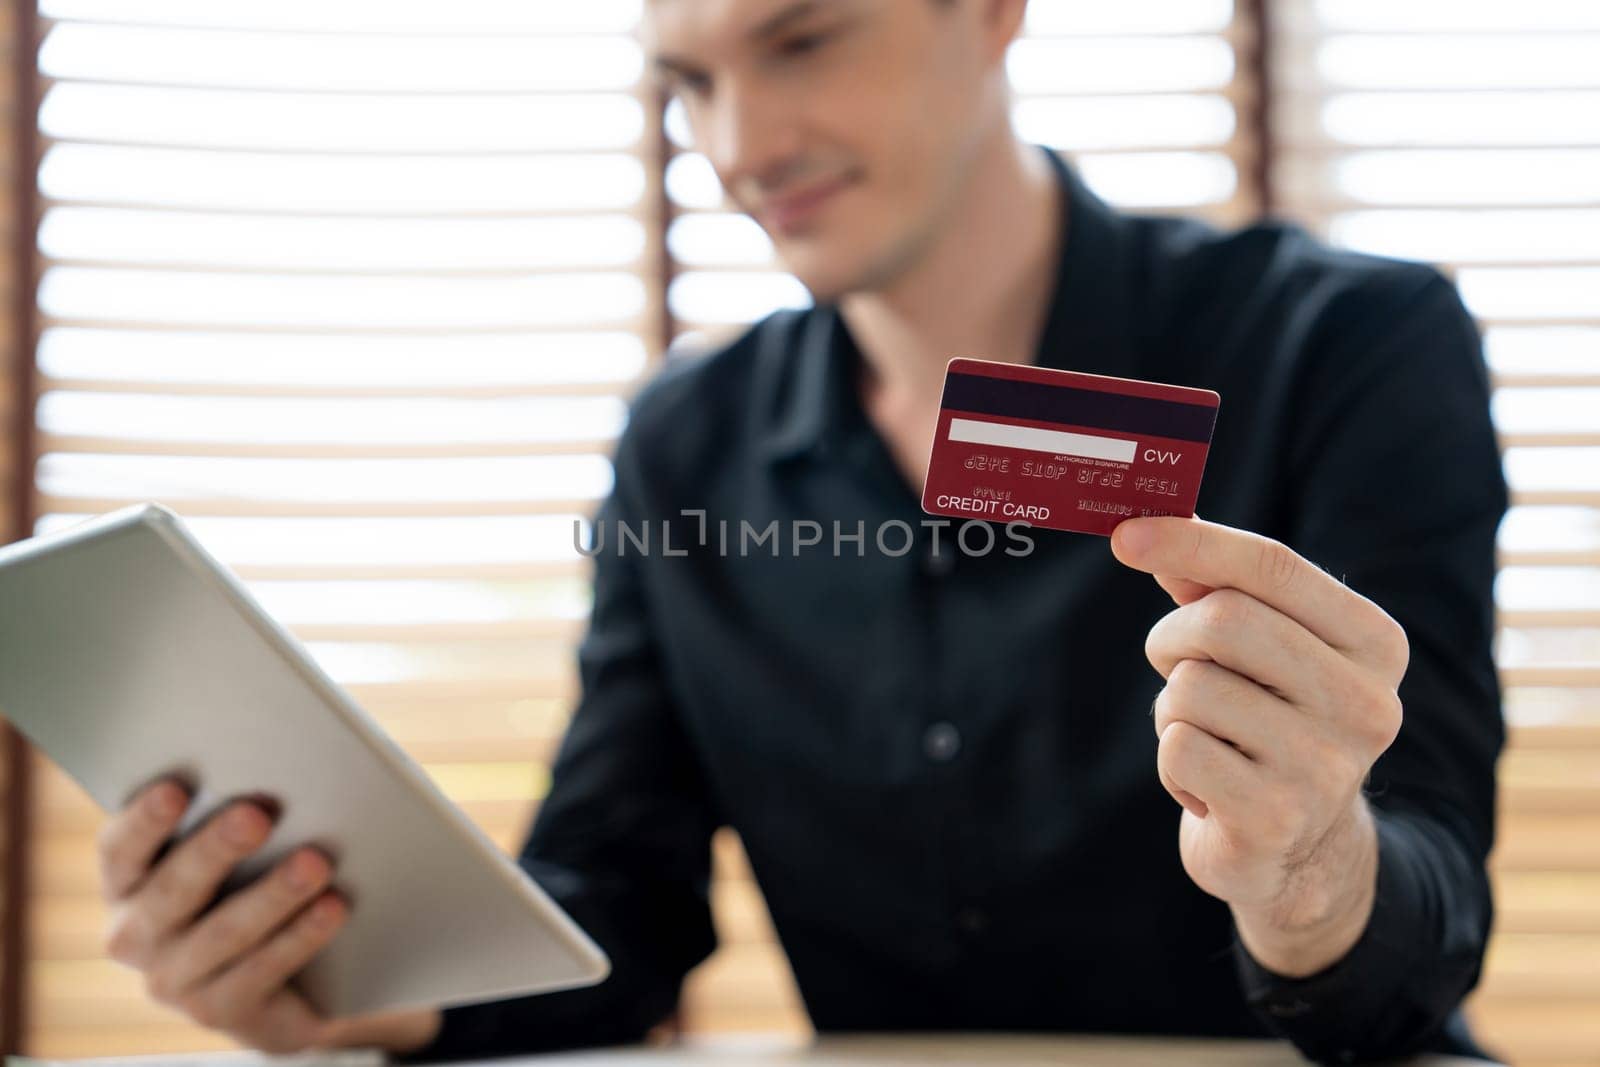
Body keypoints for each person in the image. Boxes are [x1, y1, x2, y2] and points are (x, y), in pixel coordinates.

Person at [92, 1, 1507, 1063]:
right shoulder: (684, 444)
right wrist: (370, 975)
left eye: (805, 39)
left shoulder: (1345, 350)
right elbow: (616, 908)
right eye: (690, 80)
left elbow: (1428, 911)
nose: (737, 146)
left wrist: (1315, 866)